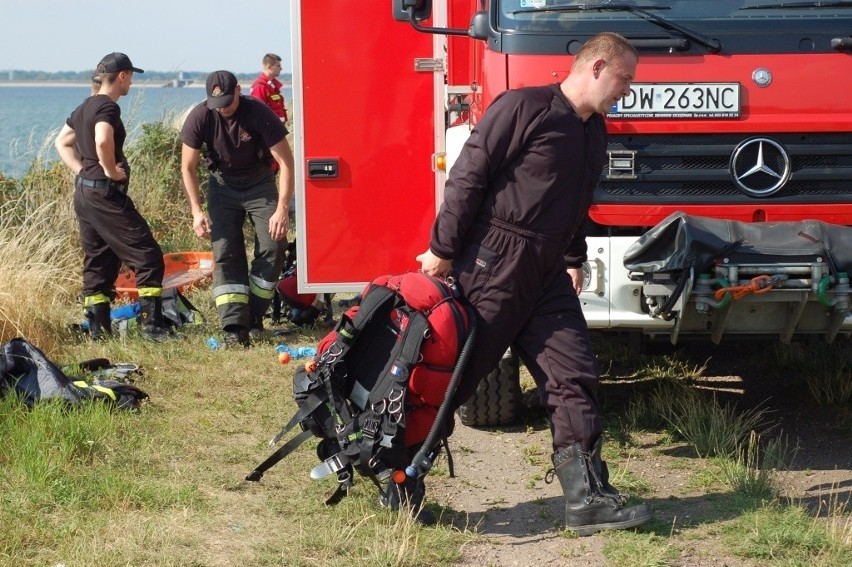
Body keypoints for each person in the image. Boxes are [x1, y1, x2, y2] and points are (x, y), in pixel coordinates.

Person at [417, 32, 651, 535]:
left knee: (574, 374)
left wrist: (572, 257)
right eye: (624, 79)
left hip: (546, 272)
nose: (627, 90)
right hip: (493, 264)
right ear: (597, 66)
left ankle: (586, 496)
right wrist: (443, 248)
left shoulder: (594, 131)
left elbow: (575, 200)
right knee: (454, 378)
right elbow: (468, 176)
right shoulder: (523, 108)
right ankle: (398, 473)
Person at [55, 52, 174, 342]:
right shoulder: (107, 107)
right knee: (148, 256)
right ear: (121, 76)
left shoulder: (85, 105)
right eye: (130, 76)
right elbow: (102, 140)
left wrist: (82, 171)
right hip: (105, 194)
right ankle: (152, 327)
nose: (131, 82)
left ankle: (98, 330)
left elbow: (62, 142)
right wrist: (111, 171)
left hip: (84, 193)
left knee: (99, 261)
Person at [179, 70, 295, 348]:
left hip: (259, 182)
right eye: (217, 104)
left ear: (239, 91)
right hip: (222, 186)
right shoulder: (201, 116)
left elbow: (288, 163)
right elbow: (188, 167)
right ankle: (234, 326)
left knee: (274, 245)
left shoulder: (259, 113)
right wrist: (197, 211)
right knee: (226, 252)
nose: (223, 109)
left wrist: (281, 209)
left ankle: (254, 315)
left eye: (228, 102)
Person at [249, 53, 288, 124]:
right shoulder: (260, 86)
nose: (281, 68)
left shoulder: (272, 86)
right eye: (278, 66)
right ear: (269, 67)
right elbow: (258, 113)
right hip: (268, 131)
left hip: (277, 129)